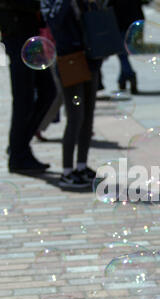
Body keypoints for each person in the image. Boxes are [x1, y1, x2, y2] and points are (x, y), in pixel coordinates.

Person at [41, 0, 100, 188]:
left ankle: (81, 166)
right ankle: (67, 171)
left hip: (90, 57)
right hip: (69, 60)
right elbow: (55, 21)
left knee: (88, 116)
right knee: (76, 117)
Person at [0, 0, 57, 173]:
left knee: (49, 91)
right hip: (17, 31)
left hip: (29, 30)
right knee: (23, 97)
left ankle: (19, 146)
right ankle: (18, 154)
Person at [108, 0, 144, 94]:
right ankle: (122, 80)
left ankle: (131, 75)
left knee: (122, 54)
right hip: (133, 24)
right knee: (123, 54)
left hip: (120, 25)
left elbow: (109, 7)